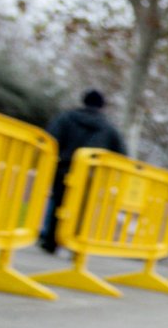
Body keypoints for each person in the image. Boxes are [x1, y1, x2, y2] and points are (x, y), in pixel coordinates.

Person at [38, 88, 124, 252]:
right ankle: (76, 242)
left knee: (58, 203)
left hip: (64, 168)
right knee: (83, 208)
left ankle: (50, 240)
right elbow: (121, 152)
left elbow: (50, 139)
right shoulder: (108, 128)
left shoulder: (65, 118)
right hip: (91, 174)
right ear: (102, 106)